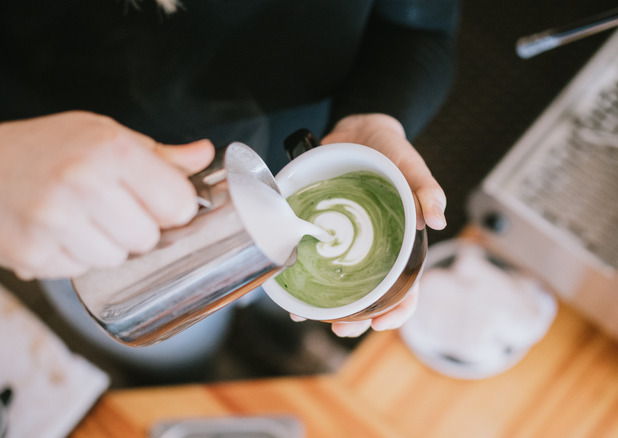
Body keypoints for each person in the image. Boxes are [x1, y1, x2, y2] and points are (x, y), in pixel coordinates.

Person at [0, 0, 458, 371]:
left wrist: (374, 112)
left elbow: (419, 29)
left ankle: (276, 345)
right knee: (180, 360)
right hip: (82, 219)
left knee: (283, 318)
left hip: (307, 160)